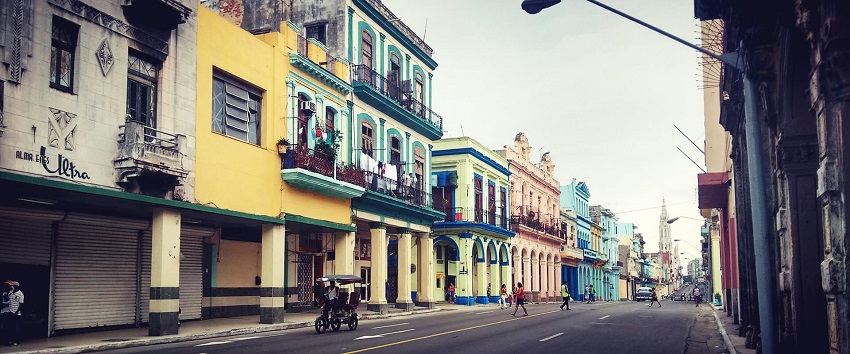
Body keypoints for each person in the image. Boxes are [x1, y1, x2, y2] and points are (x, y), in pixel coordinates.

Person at [1, 280, 24, 346]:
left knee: (16, 327)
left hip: (16, 313)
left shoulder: (20, 294)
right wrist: (4, 303)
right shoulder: (10, 293)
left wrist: (16, 312)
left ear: (16, 286)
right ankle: (11, 339)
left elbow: (20, 305)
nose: (11, 287)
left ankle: (17, 341)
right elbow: (10, 301)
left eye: (13, 286)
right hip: (10, 312)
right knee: (10, 327)